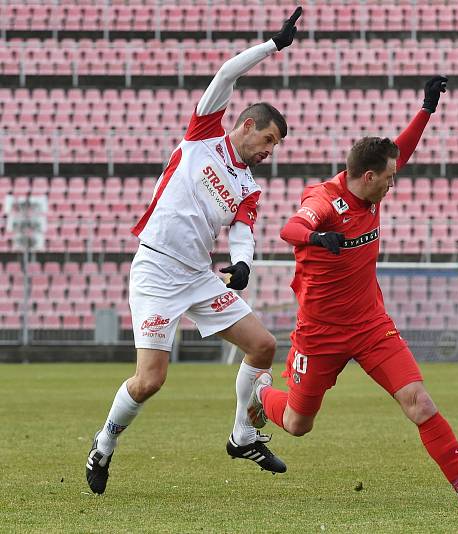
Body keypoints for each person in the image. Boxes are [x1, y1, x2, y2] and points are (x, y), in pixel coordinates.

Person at [244, 76, 458, 509]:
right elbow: (289, 228)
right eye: (388, 179)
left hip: (371, 326)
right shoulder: (325, 200)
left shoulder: (370, 192)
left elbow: (399, 151)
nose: (393, 184)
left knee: (418, 401)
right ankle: (260, 393)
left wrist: (426, 109)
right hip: (320, 333)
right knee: (296, 423)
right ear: (367, 177)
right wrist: (314, 239)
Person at [85, 7, 304, 495]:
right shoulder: (203, 134)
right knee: (149, 381)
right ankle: (103, 443)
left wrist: (244, 261)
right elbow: (227, 72)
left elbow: (243, 230)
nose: (269, 151)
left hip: (200, 277)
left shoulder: (248, 184)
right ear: (246, 126)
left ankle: (242, 435)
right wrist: (273, 45)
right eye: (267, 140)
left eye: (275, 146)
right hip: (157, 270)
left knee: (264, 345)